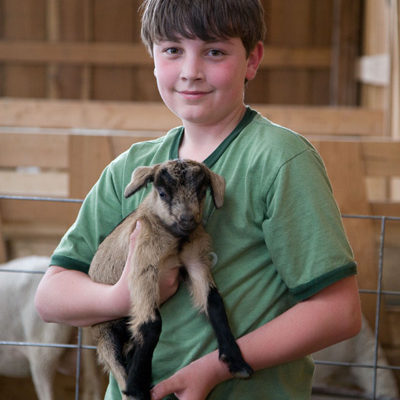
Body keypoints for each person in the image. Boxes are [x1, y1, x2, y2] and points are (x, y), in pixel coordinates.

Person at [35, 0, 362, 399]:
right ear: (153, 58)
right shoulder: (130, 170)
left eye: (215, 51)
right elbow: (50, 297)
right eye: (173, 50)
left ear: (252, 59)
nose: (191, 71)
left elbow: (339, 312)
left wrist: (216, 368)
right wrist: (122, 295)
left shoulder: (280, 160)